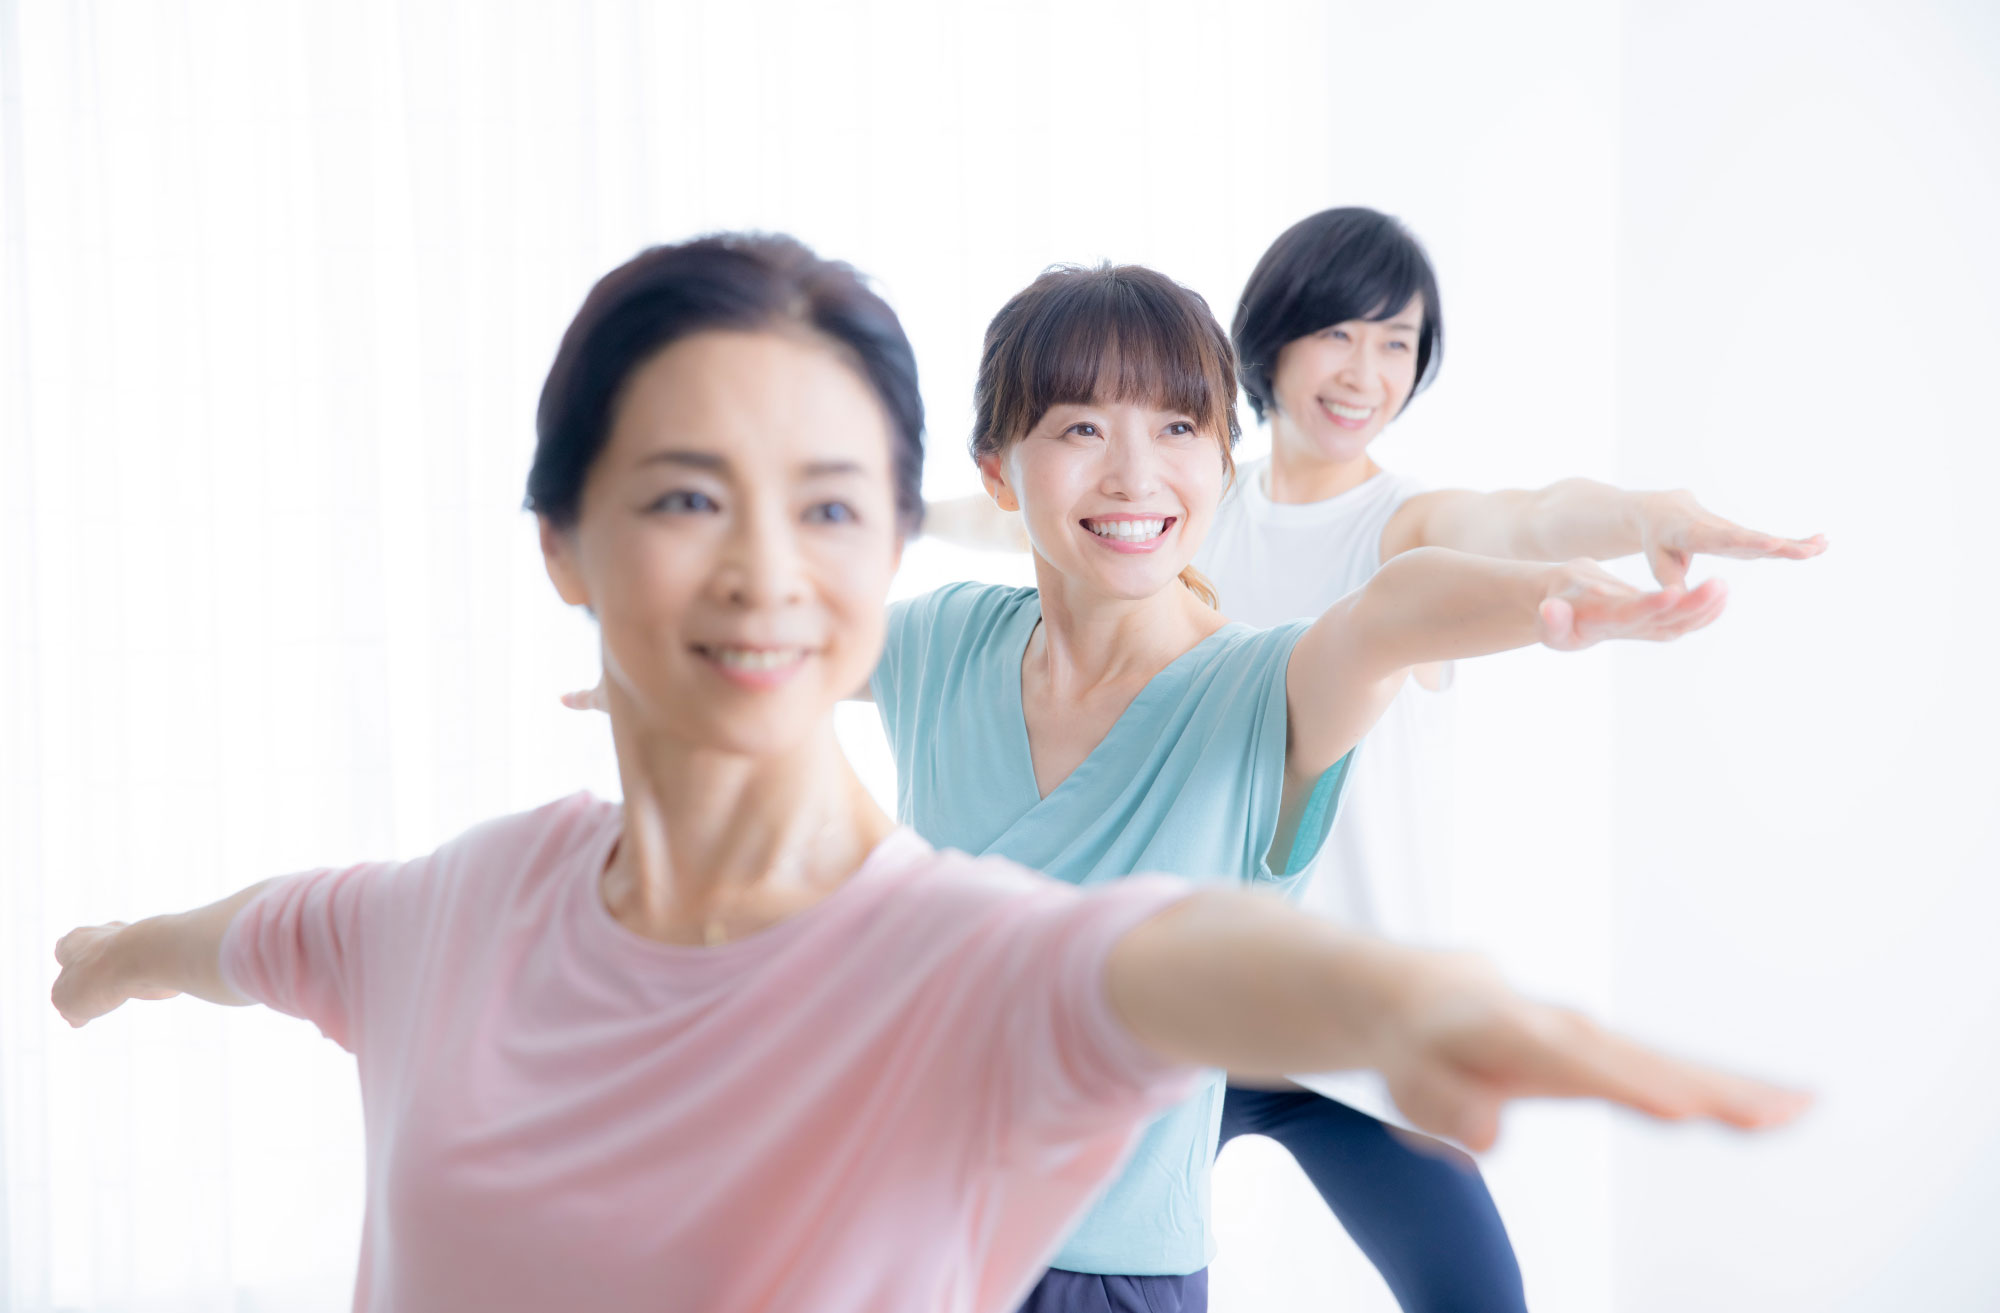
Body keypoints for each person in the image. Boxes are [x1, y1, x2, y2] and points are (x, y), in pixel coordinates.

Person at [47, 234, 1806, 1313]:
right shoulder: (946, 644)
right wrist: (118, 950)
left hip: (1113, 1242)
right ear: (999, 467)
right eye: (1080, 426)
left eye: (1180, 426)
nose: (1136, 469)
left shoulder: (1241, 699)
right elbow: (316, 919)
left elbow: (1371, 648)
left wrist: (1553, 611)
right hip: (914, 1210)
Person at [926, 213, 1826, 1312]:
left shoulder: (1401, 523)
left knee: (1476, 1294)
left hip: (1345, 1009)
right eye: (1337, 334)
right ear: (1271, 340)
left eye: (1397, 342)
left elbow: (1523, 521)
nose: (1363, 372)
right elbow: (1037, 506)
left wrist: (1635, 517)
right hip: (1194, 1000)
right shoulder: (1181, 497)